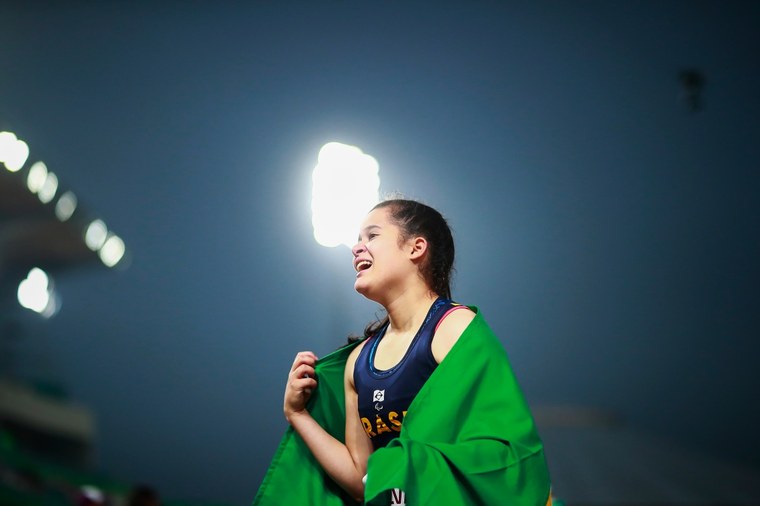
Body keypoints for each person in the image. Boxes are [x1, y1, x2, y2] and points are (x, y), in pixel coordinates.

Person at [254, 199, 551, 505]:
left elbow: (506, 456)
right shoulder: (357, 361)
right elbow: (364, 480)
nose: (357, 248)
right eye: (357, 240)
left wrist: (405, 466)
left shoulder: (455, 328)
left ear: (416, 248)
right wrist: (298, 414)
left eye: (372, 236)